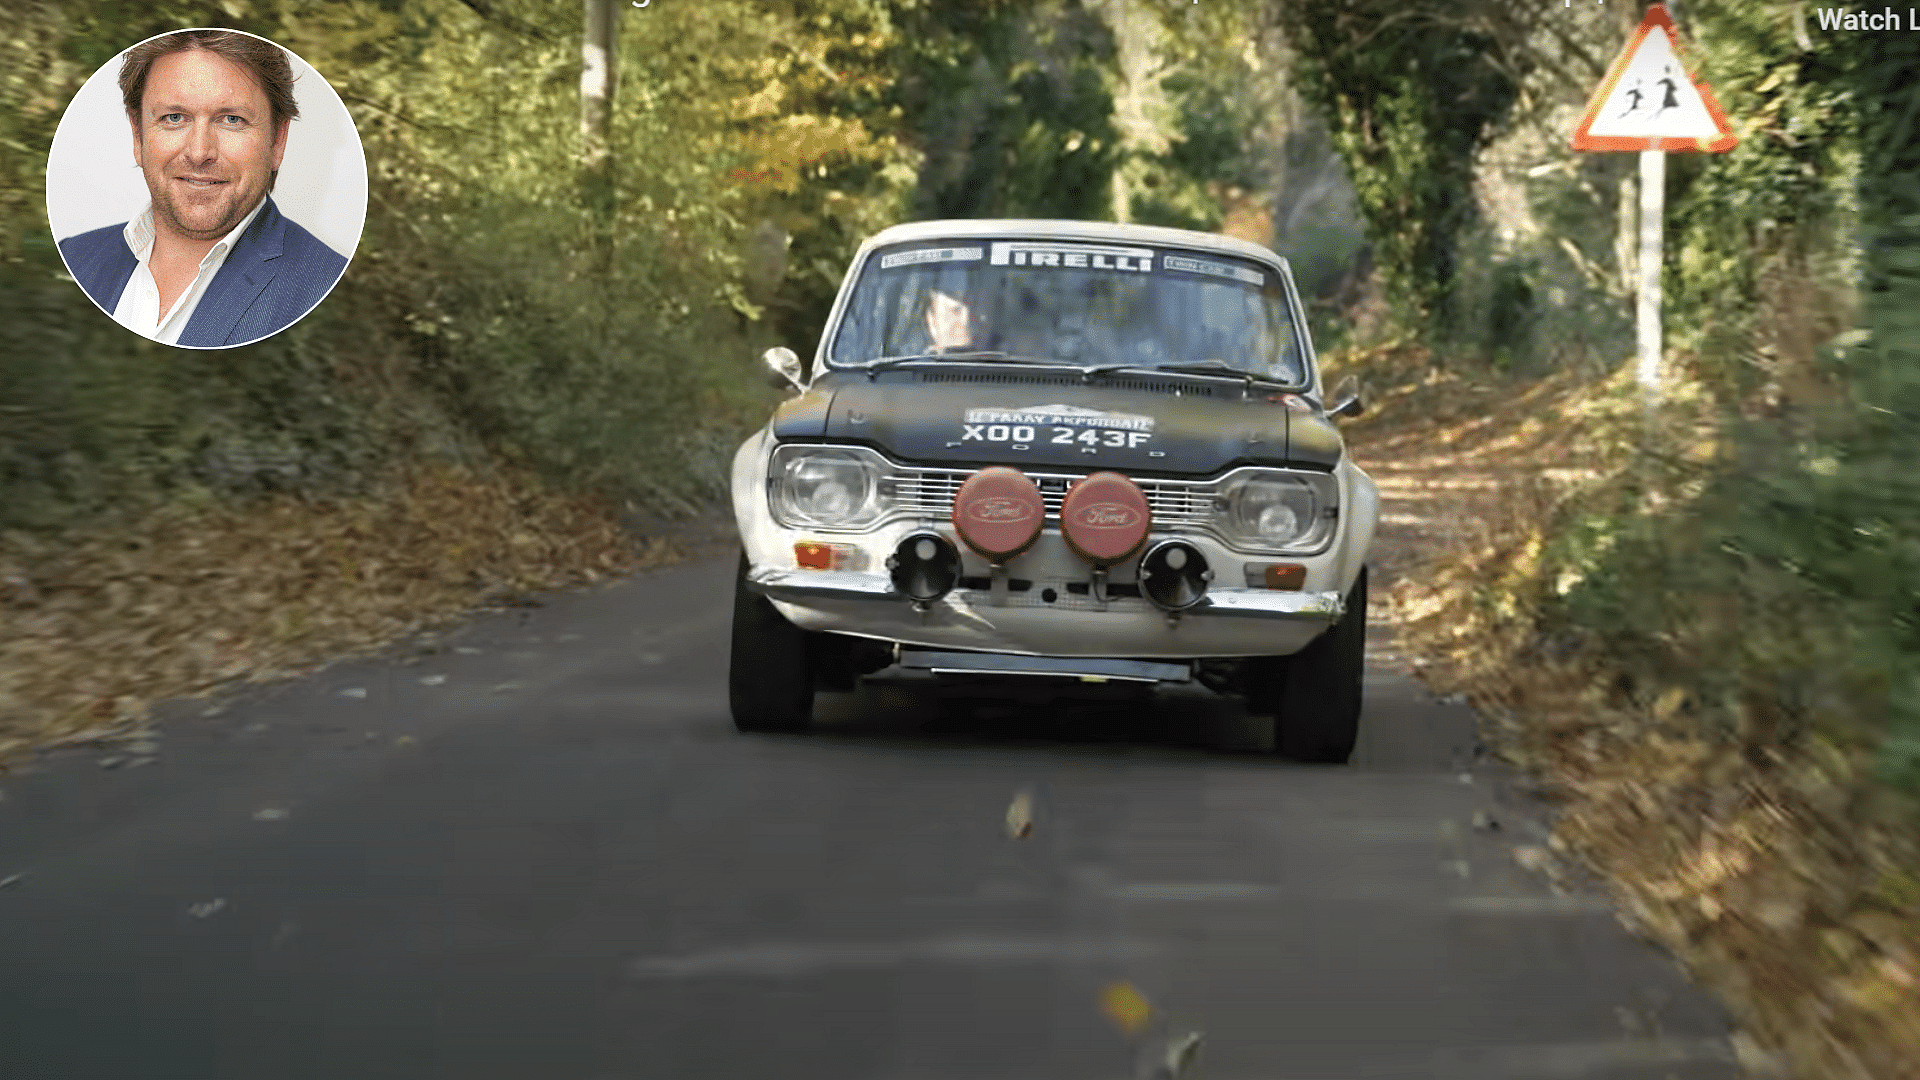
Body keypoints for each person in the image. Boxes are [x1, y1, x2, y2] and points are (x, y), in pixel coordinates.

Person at [57, 30, 348, 348]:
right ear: (138, 136)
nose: (198, 152)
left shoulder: (329, 290)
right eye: (174, 117)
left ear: (277, 140)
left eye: (232, 120)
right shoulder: (74, 258)